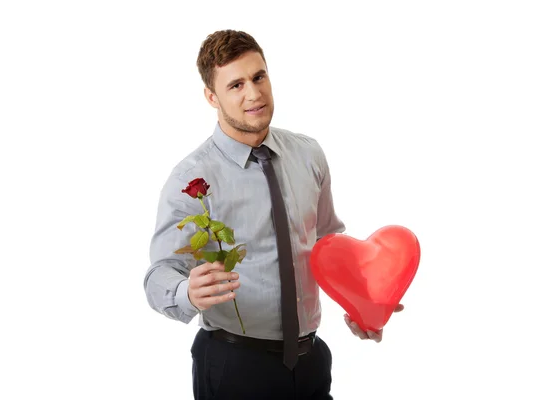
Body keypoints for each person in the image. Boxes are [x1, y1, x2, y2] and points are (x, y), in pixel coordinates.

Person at [143, 29, 403, 400]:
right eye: (236, 85)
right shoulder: (192, 178)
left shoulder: (308, 154)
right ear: (211, 97)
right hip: (235, 365)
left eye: (258, 77)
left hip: (311, 359)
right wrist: (187, 291)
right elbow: (158, 274)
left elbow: (328, 244)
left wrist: (366, 302)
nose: (254, 93)